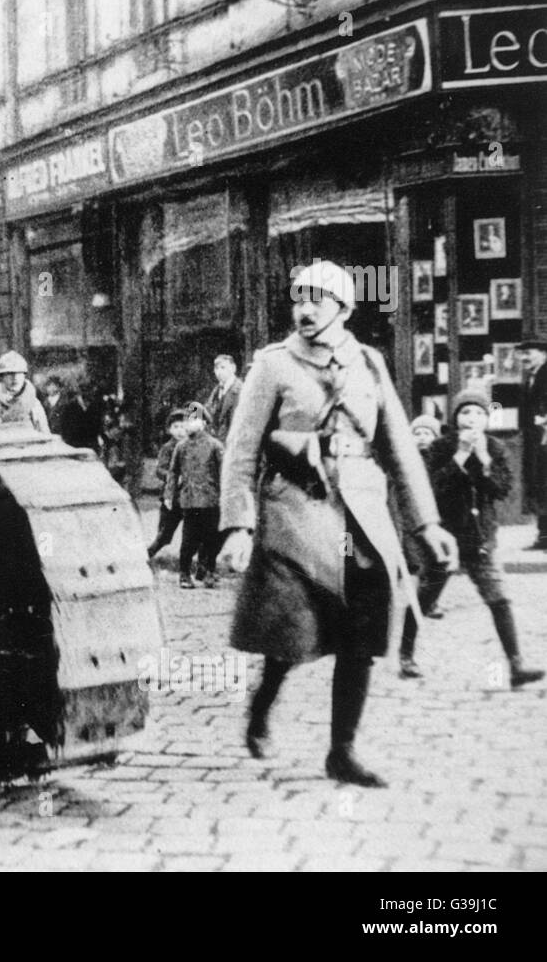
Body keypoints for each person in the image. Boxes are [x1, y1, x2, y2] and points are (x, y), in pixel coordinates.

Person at [218, 259, 457, 788]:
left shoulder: (369, 363)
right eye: (298, 299)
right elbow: (241, 450)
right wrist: (238, 525)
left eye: (317, 300)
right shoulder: (273, 365)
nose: (304, 309)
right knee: (292, 630)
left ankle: (341, 751)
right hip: (294, 513)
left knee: (363, 633)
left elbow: (398, 448)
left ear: (344, 308)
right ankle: (263, 705)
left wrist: (427, 524)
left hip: (362, 515)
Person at [413, 388, 544, 688]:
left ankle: (516, 665)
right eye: (465, 412)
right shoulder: (441, 446)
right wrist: (459, 455)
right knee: (425, 598)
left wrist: (484, 458)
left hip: (481, 539)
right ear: (456, 417)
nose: (472, 419)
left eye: (479, 413)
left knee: (499, 599)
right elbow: (432, 488)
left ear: (487, 418)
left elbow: (502, 489)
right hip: (447, 538)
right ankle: (405, 654)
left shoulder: (496, 448)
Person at [398, 414, 445, 677]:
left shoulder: (441, 461)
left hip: (439, 529)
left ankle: (428, 604)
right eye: (417, 433)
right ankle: (406, 654)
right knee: (415, 577)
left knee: (433, 580)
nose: (423, 438)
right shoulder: (404, 462)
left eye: (428, 433)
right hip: (410, 529)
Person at [169, 402, 224, 589]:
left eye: (193, 419)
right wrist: (170, 495)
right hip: (190, 500)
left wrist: (225, 496)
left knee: (212, 539)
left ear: (203, 423)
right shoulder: (181, 447)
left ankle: (209, 571)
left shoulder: (215, 446)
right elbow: (173, 472)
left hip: (211, 499)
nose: (188, 424)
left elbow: (223, 472)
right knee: (188, 540)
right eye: (186, 420)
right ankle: (184, 574)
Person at [145, 408, 189, 561]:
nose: (180, 431)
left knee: (194, 531)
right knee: (164, 533)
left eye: (183, 427)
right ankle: (147, 555)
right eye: (176, 427)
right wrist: (173, 477)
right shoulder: (168, 448)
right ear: (170, 429)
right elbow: (160, 469)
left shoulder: (192, 446)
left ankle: (198, 563)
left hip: (190, 496)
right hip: (172, 496)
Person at [517, 338, 547, 549]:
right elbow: (500, 401)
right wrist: (494, 410)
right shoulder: (530, 377)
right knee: (539, 485)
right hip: (533, 440)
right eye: (522, 353)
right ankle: (543, 535)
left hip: (544, 438)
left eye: (530, 352)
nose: (524, 357)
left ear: (544, 354)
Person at [204, 354, 242, 445]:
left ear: (233, 368)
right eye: (216, 368)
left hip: (232, 443)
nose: (219, 372)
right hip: (216, 443)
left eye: (223, 367)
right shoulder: (216, 390)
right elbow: (208, 412)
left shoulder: (240, 390)